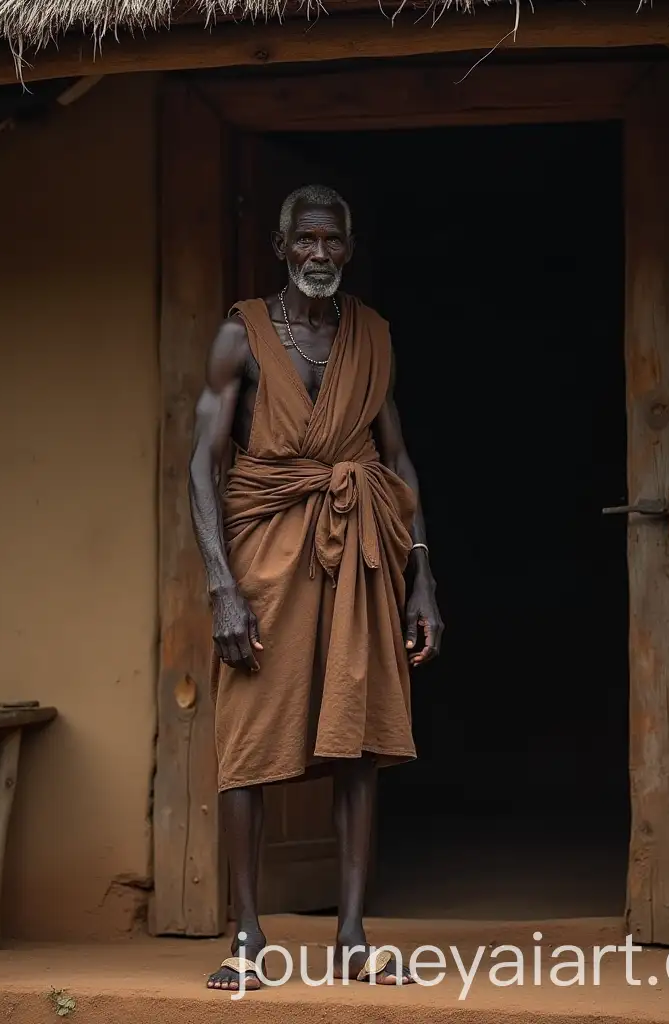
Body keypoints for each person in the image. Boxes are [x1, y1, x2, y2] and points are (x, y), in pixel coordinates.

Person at [188, 183, 443, 992]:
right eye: (307, 240)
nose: (321, 255)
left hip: (362, 557)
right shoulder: (241, 336)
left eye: (334, 241)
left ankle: (355, 936)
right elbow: (202, 464)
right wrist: (222, 587)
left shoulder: (371, 336)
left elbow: (396, 460)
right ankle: (248, 936)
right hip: (264, 556)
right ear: (281, 245)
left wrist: (423, 575)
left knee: (356, 739)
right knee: (248, 745)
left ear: (349, 247)